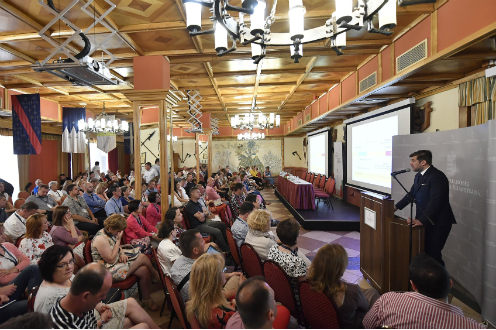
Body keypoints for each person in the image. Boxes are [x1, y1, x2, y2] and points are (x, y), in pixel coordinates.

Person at [363, 253, 485, 329]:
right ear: (450, 284)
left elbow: (366, 325)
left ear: (413, 285)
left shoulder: (387, 300)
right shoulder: (471, 326)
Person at [49, 262, 160, 329]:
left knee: (135, 318)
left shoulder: (77, 303)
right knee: (142, 326)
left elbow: (90, 325)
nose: (104, 298)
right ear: (86, 296)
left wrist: (100, 320)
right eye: (101, 295)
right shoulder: (66, 325)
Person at [394, 150, 456, 266]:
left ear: (423, 162)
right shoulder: (419, 176)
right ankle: (427, 281)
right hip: (426, 222)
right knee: (425, 253)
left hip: (437, 223)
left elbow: (436, 201)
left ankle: (443, 283)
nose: (410, 163)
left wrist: (422, 220)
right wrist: (395, 207)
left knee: (433, 255)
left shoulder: (437, 176)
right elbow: (411, 195)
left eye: (413, 160)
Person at [90, 214, 160, 310]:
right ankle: (156, 275)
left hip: (116, 263)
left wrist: (122, 253)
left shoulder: (111, 233)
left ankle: (146, 300)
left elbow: (117, 248)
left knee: (144, 270)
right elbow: (111, 260)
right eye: (118, 231)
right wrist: (118, 240)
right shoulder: (101, 239)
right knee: (142, 257)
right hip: (106, 271)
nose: (119, 233)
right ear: (110, 228)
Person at [308, 244, 379, 329]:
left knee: (370, 292)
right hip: (354, 325)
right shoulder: (351, 291)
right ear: (341, 268)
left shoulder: (308, 284)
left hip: (322, 323)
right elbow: (366, 307)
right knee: (374, 294)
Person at [171, 229, 243, 302]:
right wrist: (240, 287)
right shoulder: (201, 272)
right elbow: (216, 298)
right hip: (202, 307)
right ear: (195, 250)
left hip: (188, 301)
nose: (205, 242)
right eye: (202, 241)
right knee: (238, 279)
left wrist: (230, 274)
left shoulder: (178, 260)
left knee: (233, 276)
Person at [186, 253, 243, 329]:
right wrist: (239, 307)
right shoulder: (227, 314)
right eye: (223, 270)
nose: (224, 273)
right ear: (215, 280)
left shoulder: (196, 301)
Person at [226, 277, 291, 329]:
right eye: (273, 299)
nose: (275, 302)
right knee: (284, 311)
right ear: (271, 315)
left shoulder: (232, 320)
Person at [184, 187, 229, 252]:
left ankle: (227, 244)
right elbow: (200, 218)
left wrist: (203, 214)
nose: (200, 193)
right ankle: (226, 250)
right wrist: (203, 214)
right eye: (198, 192)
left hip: (204, 223)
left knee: (222, 225)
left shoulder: (197, 203)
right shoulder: (190, 206)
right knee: (217, 232)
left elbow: (206, 212)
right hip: (198, 226)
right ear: (192, 194)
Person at [49, 206, 85, 271]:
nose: (70, 213)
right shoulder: (58, 229)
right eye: (67, 212)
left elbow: (81, 235)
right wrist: (71, 225)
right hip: (68, 252)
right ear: (61, 215)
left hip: (77, 247)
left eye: (69, 211)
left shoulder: (68, 223)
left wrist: (74, 241)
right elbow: (74, 241)